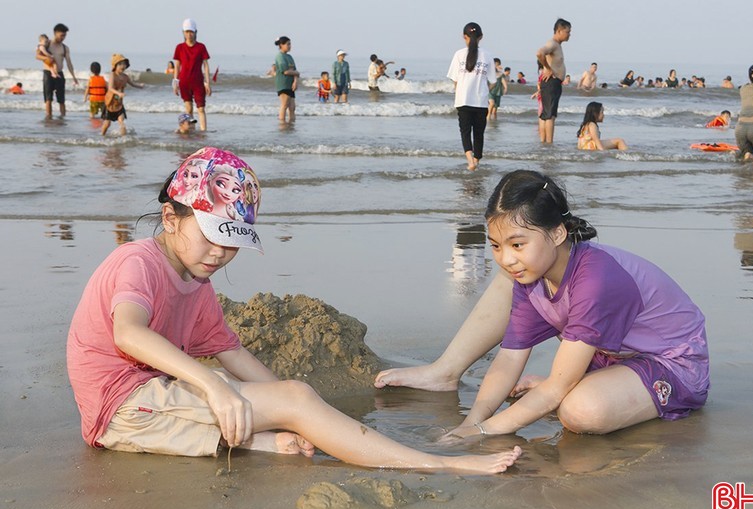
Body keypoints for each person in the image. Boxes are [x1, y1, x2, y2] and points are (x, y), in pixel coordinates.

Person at [66, 147, 522, 474]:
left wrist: (290, 406)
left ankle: (260, 441)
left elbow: (233, 352)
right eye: (211, 236)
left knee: (285, 396)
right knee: (275, 396)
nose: (220, 253)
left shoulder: (196, 282)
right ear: (170, 219)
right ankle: (434, 464)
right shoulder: (137, 261)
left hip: (152, 395)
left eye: (232, 242)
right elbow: (128, 333)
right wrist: (231, 390)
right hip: (121, 406)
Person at [377, 171, 710, 441]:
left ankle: (589, 386)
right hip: (609, 356)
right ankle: (580, 382)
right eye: (496, 246)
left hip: (671, 364)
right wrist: (472, 421)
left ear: (558, 233)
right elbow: (509, 358)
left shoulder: (597, 280)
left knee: (581, 411)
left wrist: (487, 431)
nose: (506, 258)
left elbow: (556, 390)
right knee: (560, 391)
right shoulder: (532, 274)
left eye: (517, 244)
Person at [447, 22, 498, 171]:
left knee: (465, 132)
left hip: (463, 100)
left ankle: (470, 161)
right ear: (481, 37)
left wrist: (460, 91)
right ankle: (476, 161)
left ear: (464, 36)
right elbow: (493, 82)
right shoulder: (487, 55)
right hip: (480, 101)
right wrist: (484, 89)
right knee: (479, 133)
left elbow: (455, 80)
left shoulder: (458, 54)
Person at [536, 18, 571, 143]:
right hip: (551, 82)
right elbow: (539, 53)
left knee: (546, 114)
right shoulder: (553, 44)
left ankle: (544, 143)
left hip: (552, 83)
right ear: (559, 31)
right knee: (550, 115)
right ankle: (549, 144)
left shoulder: (557, 45)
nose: (569, 35)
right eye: (567, 32)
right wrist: (548, 68)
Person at [173, 19, 211, 131]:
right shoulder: (179, 47)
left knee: (201, 108)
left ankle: (203, 131)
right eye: (187, 32)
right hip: (184, 82)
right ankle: (191, 131)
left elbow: (206, 65)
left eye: (191, 32)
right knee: (188, 109)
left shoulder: (201, 47)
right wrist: (175, 82)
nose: (189, 34)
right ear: (183, 32)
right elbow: (177, 66)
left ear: (195, 32)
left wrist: (207, 83)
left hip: (198, 82)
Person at [35, 23, 79, 119]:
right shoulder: (47, 44)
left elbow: (69, 63)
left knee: (61, 99)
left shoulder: (65, 48)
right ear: (55, 33)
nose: (63, 38)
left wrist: (74, 77)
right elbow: (37, 56)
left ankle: (63, 118)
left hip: (59, 73)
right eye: (61, 35)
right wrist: (47, 58)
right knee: (48, 99)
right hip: (48, 72)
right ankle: (48, 118)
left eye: (65, 36)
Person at [101, 54, 144, 137]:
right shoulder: (112, 75)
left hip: (119, 103)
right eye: (120, 64)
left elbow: (132, 84)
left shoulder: (125, 77)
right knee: (107, 123)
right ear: (115, 66)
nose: (123, 66)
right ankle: (102, 136)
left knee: (122, 121)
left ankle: (124, 139)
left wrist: (140, 86)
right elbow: (110, 88)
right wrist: (119, 93)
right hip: (110, 103)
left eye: (124, 64)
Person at [270, 36, 299, 123]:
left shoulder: (289, 57)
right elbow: (285, 71)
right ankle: (282, 124)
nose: (290, 46)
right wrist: (296, 73)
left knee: (292, 107)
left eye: (290, 44)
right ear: (281, 45)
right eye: (288, 44)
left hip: (291, 84)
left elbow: (294, 70)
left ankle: (291, 124)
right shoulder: (280, 56)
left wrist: (295, 81)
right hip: (283, 83)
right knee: (285, 105)